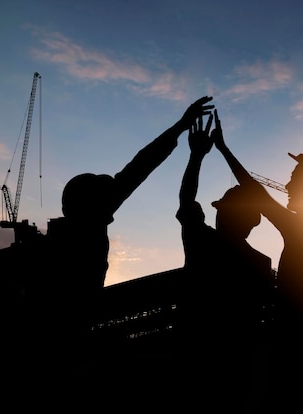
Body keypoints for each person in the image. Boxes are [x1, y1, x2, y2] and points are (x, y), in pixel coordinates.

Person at [23, 96, 215, 360]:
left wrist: (181, 127)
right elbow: (140, 167)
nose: (116, 192)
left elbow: (136, 169)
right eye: (107, 190)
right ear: (90, 203)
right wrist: (181, 127)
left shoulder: (64, 238)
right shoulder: (84, 233)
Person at [210, 109, 303, 411]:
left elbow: (256, 193)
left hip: (297, 356)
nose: (287, 185)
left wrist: (222, 149)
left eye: (295, 177)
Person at [175, 110, 274, 411]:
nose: (217, 213)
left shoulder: (202, 241)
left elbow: (186, 199)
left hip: (197, 354)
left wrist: (197, 156)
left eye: (221, 209)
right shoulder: (261, 263)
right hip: (237, 364)